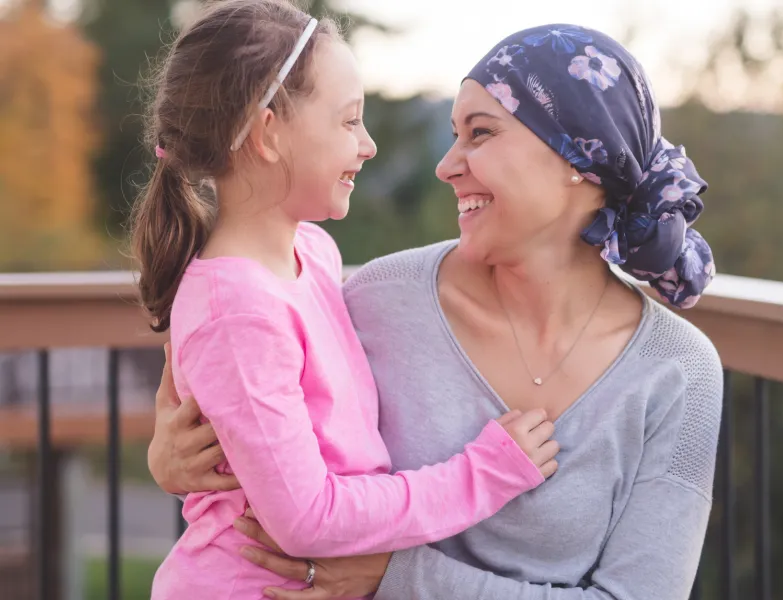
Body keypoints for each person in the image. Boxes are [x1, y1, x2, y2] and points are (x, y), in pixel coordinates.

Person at [148, 23, 724, 600]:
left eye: (480, 132)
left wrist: (395, 574)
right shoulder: (376, 298)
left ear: (578, 157)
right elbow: (274, 450)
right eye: (453, 134)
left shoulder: (679, 372)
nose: (445, 165)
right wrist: (173, 465)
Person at [129, 2, 561, 599]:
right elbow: (307, 516)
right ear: (267, 133)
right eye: (348, 121)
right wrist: (481, 475)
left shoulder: (313, 252)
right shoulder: (238, 311)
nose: (368, 144)